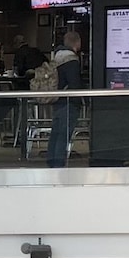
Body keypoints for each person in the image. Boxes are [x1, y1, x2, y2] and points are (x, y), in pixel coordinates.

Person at [46, 29, 84, 168]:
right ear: (77, 43)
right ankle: (58, 163)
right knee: (64, 133)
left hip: (57, 100)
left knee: (56, 131)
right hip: (68, 101)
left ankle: (52, 159)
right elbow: (74, 84)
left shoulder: (57, 57)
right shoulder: (71, 60)